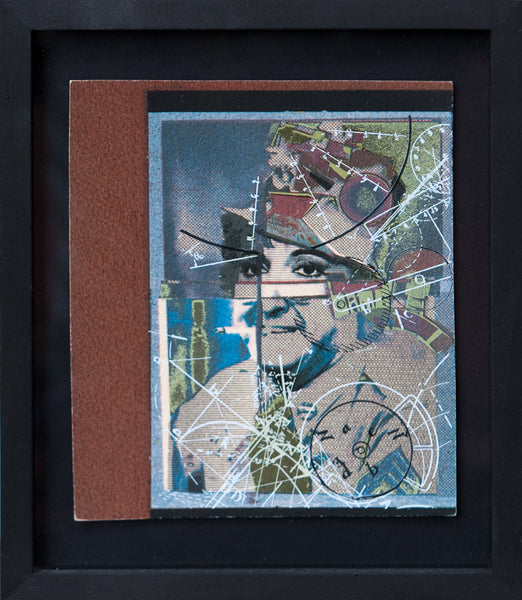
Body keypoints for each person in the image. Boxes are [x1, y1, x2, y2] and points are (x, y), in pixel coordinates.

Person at [171, 120, 446, 501]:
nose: (270, 302)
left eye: (307, 270)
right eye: (255, 268)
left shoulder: (393, 399)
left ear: (363, 292)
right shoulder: (210, 406)